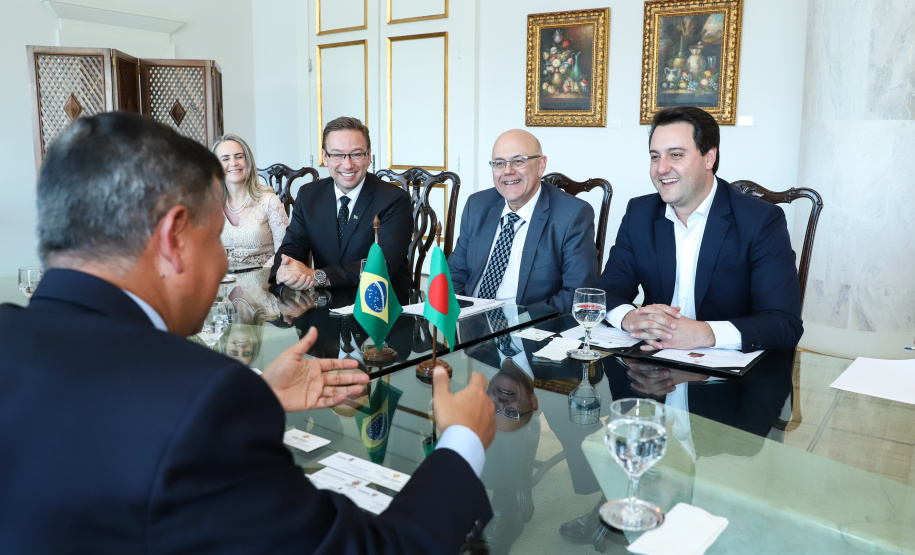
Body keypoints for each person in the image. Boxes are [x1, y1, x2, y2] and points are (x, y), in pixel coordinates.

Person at [0, 112, 497, 553]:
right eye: (216, 235)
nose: (223, 264)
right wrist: (461, 441)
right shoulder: (206, 400)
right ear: (174, 238)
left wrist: (257, 393)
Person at [597, 107, 803, 352]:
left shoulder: (761, 220)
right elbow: (606, 292)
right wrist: (630, 319)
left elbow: (784, 322)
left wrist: (704, 333)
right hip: (652, 370)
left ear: (709, 158)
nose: (661, 168)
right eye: (655, 156)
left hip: (729, 376)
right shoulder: (639, 213)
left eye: (675, 155)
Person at [447, 129, 598, 313]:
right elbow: (454, 274)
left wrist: (519, 321)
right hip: (470, 324)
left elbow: (576, 294)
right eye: (499, 163)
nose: (508, 171)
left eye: (518, 161)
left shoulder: (573, 215)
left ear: (541, 165)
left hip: (529, 329)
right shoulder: (477, 205)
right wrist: (462, 315)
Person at [270, 117, 412, 302]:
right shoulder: (309, 195)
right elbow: (292, 247)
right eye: (337, 155)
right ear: (324, 157)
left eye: (356, 154)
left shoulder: (394, 199)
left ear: (369, 156)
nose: (347, 165)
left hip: (381, 307)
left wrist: (318, 276)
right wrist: (284, 270)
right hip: (324, 305)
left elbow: (382, 265)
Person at [212, 134, 289, 266]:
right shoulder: (211, 205)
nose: (233, 163)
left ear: (248, 161)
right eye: (225, 159)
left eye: (239, 156)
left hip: (263, 281)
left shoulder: (269, 201)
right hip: (224, 282)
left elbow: (285, 251)